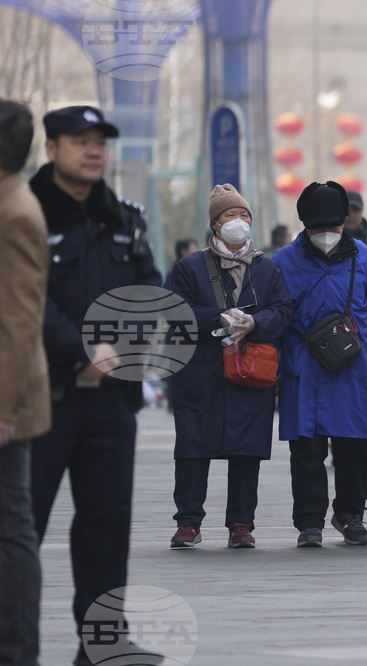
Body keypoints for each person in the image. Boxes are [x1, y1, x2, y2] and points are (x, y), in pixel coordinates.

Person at [28, 105, 163, 666]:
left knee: (106, 527)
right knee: (19, 527)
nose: (92, 150)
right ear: (51, 147)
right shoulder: (24, 212)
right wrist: (81, 349)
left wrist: (117, 349)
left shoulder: (124, 219)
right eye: (79, 140)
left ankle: (104, 646)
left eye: (100, 141)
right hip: (40, 398)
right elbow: (22, 298)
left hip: (111, 401)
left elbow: (148, 287)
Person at [165, 184, 291, 549]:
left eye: (245, 216)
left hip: (250, 372)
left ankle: (241, 523)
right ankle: (188, 522)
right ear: (215, 225)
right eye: (230, 216)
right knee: (192, 446)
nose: (239, 222)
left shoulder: (267, 269)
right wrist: (217, 317)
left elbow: (283, 311)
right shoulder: (189, 267)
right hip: (199, 371)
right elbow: (174, 312)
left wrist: (255, 323)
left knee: (246, 448)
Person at [274, 181, 367, 548]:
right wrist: (276, 367)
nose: (326, 235)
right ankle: (309, 521)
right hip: (302, 366)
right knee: (306, 448)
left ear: (345, 223)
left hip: (354, 365)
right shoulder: (281, 261)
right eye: (318, 229)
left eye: (333, 228)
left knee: (356, 444)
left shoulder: (364, 256)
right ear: (304, 225)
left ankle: (349, 515)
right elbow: (275, 317)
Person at [0, 99, 49, 666]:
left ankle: (16, 648)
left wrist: (6, 404)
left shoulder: (15, 212)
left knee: (12, 527)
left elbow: (16, 320)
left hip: (8, 401)